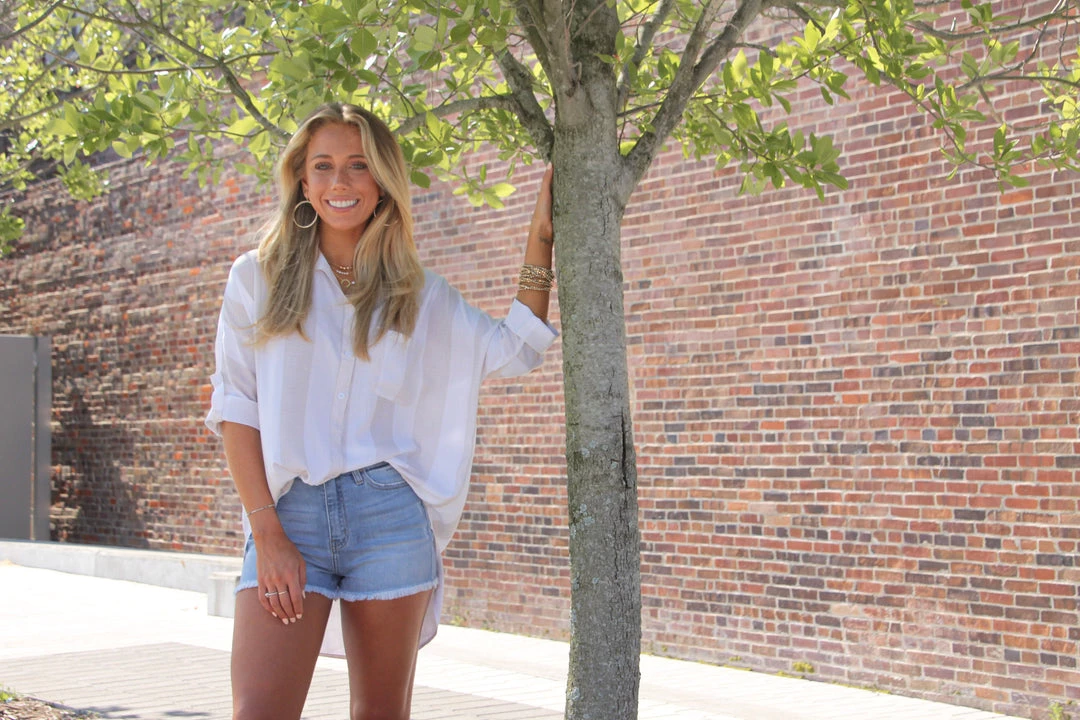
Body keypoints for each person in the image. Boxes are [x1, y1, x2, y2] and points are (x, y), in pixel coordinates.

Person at [204, 102, 556, 720]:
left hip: (389, 520)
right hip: (289, 517)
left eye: (359, 166)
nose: (341, 182)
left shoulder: (420, 296)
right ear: (304, 183)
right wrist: (267, 532)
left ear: (383, 182)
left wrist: (541, 235)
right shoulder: (254, 280)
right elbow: (238, 410)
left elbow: (517, 348)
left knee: (381, 714)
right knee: (258, 711)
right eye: (324, 166)